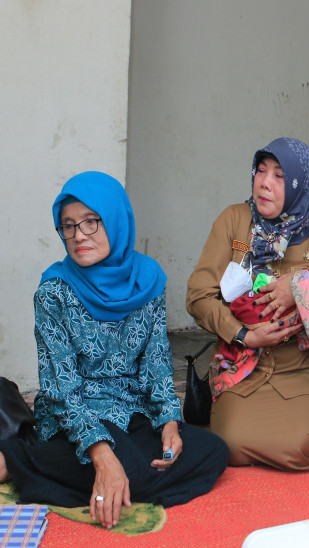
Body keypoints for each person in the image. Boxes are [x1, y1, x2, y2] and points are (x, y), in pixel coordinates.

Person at [0, 172, 229, 530]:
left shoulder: (147, 281)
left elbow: (156, 363)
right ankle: (22, 458)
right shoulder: (53, 293)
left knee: (213, 452)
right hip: (75, 419)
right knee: (128, 467)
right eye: (68, 226)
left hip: (132, 412)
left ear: (116, 219)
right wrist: (102, 456)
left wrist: (169, 422)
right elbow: (61, 391)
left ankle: (54, 470)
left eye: (91, 221)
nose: (79, 235)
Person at [186, 137, 309, 470]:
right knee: (230, 447)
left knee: (300, 447)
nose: (264, 182)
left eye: (279, 176)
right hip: (239, 362)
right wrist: (243, 335)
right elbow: (198, 296)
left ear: (300, 185)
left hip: (300, 368)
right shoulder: (233, 221)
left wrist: (299, 287)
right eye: (261, 171)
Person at [209, 256, 309, 399]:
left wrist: (295, 282)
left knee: (245, 312)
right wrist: (245, 336)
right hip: (260, 337)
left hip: (293, 365)